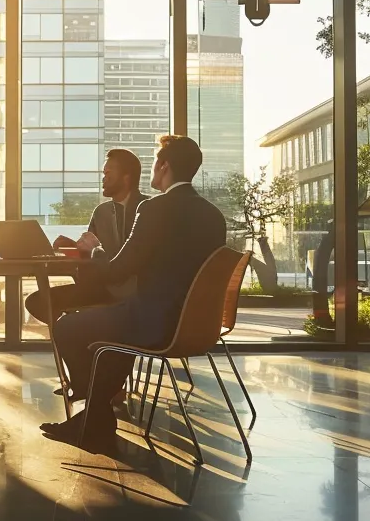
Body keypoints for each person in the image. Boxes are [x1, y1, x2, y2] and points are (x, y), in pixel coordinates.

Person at [39, 135, 226, 452]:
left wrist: (94, 251)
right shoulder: (213, 215)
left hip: (154, 322)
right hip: (196, 327)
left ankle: (92, 413)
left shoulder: (155, 209)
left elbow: (119, 270)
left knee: (67, 327)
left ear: (164, 165)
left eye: (156, 162)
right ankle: (95, 416)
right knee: (106, 338)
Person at [24, 148, 146, 326]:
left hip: (136, 292)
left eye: (108, 173)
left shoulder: (148, 209)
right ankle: (73, 331)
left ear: (126, 177)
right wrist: (73, 247)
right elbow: (90, 255)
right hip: (102, 288)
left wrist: (95, 251)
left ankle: (82, 332)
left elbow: (132, 258)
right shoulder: (101, 212)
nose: (103, 178)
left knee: (83, 320)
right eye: (103, 173)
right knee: (37, 301)